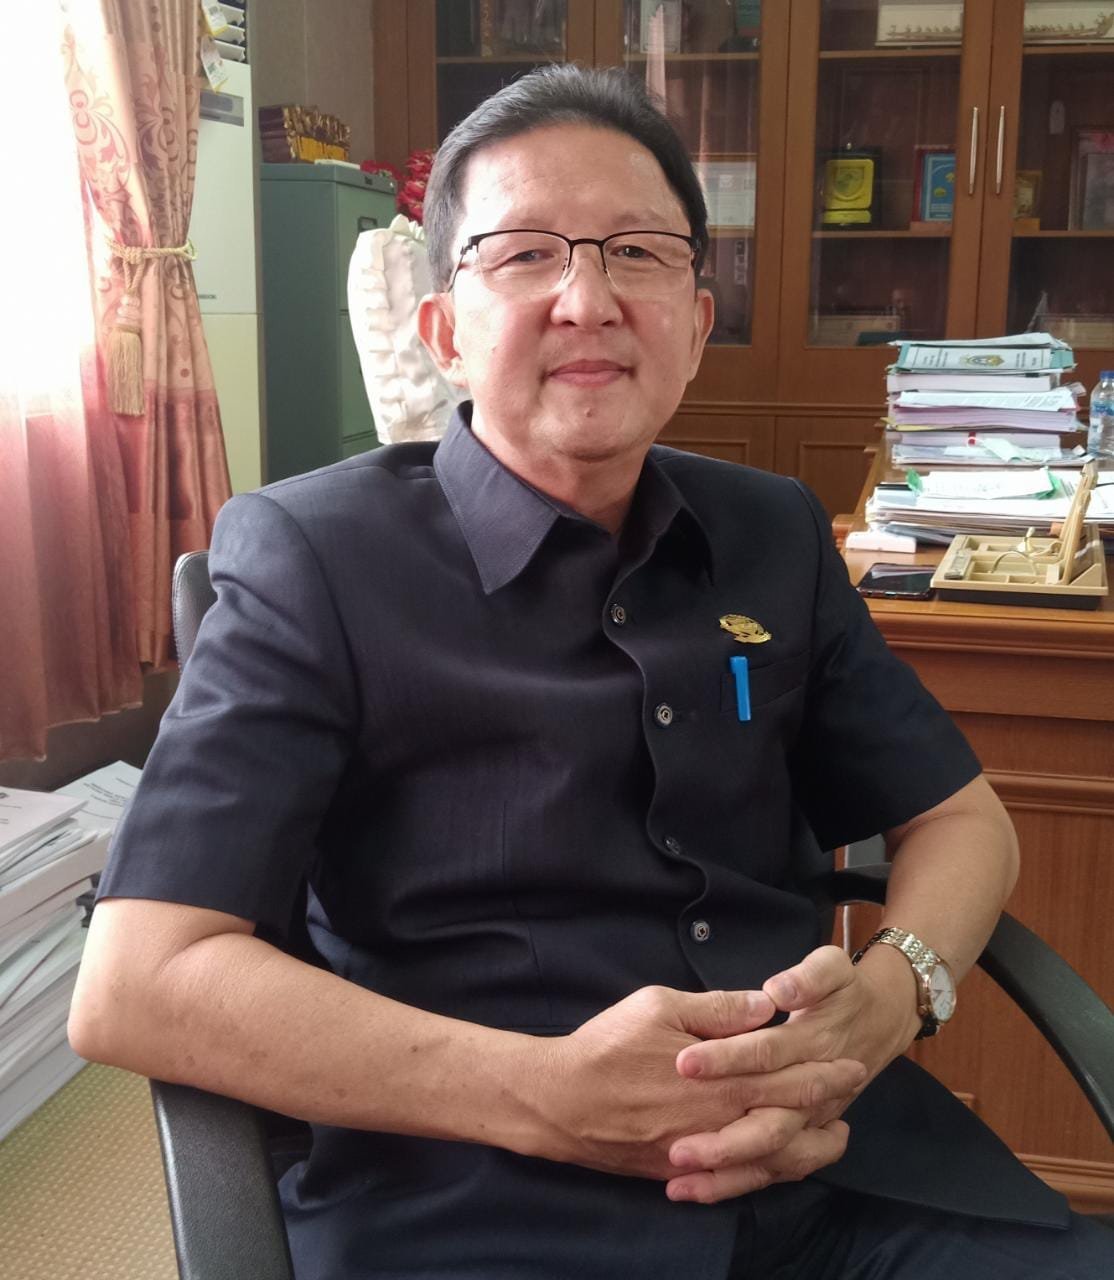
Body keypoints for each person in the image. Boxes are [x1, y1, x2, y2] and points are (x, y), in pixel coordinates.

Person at [70, 66, 1111, 1278]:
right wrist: (547, 1091)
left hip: (829, 1169)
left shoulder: (775, 534)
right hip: (476, 1198)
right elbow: (138, 980)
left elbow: (959, 818)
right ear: (445, 331)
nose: (587, 299)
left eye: (636, 253)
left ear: (696, 324)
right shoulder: (314, 559)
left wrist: (891, 997)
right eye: (525, 254)